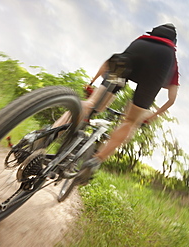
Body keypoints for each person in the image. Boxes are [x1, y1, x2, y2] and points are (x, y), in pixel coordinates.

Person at [75, 23, 180, 184]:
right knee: (130, 121)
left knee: (93, 103)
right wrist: (152, 115)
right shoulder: (171, 56)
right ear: (173, 42)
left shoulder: (142, 40)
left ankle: (48, 134)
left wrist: (92, 83)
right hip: (157, 69)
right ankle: (96, 160)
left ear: (154, 32)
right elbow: (171, 99)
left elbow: (110, 62)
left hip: (133, 55)